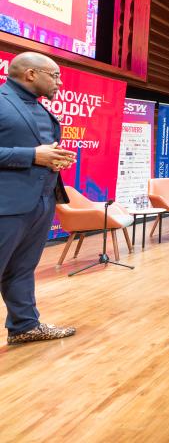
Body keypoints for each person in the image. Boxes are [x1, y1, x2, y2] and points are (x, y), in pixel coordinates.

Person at [0, 52, 77, 345]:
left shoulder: (41, 109)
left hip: (41, 200)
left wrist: (53, 160)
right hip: (6, 205)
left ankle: (24, 326)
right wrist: (32, 155)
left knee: (22, 268)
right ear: (31, 74)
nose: (59, 82)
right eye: (54, 75)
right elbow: (31, 152)